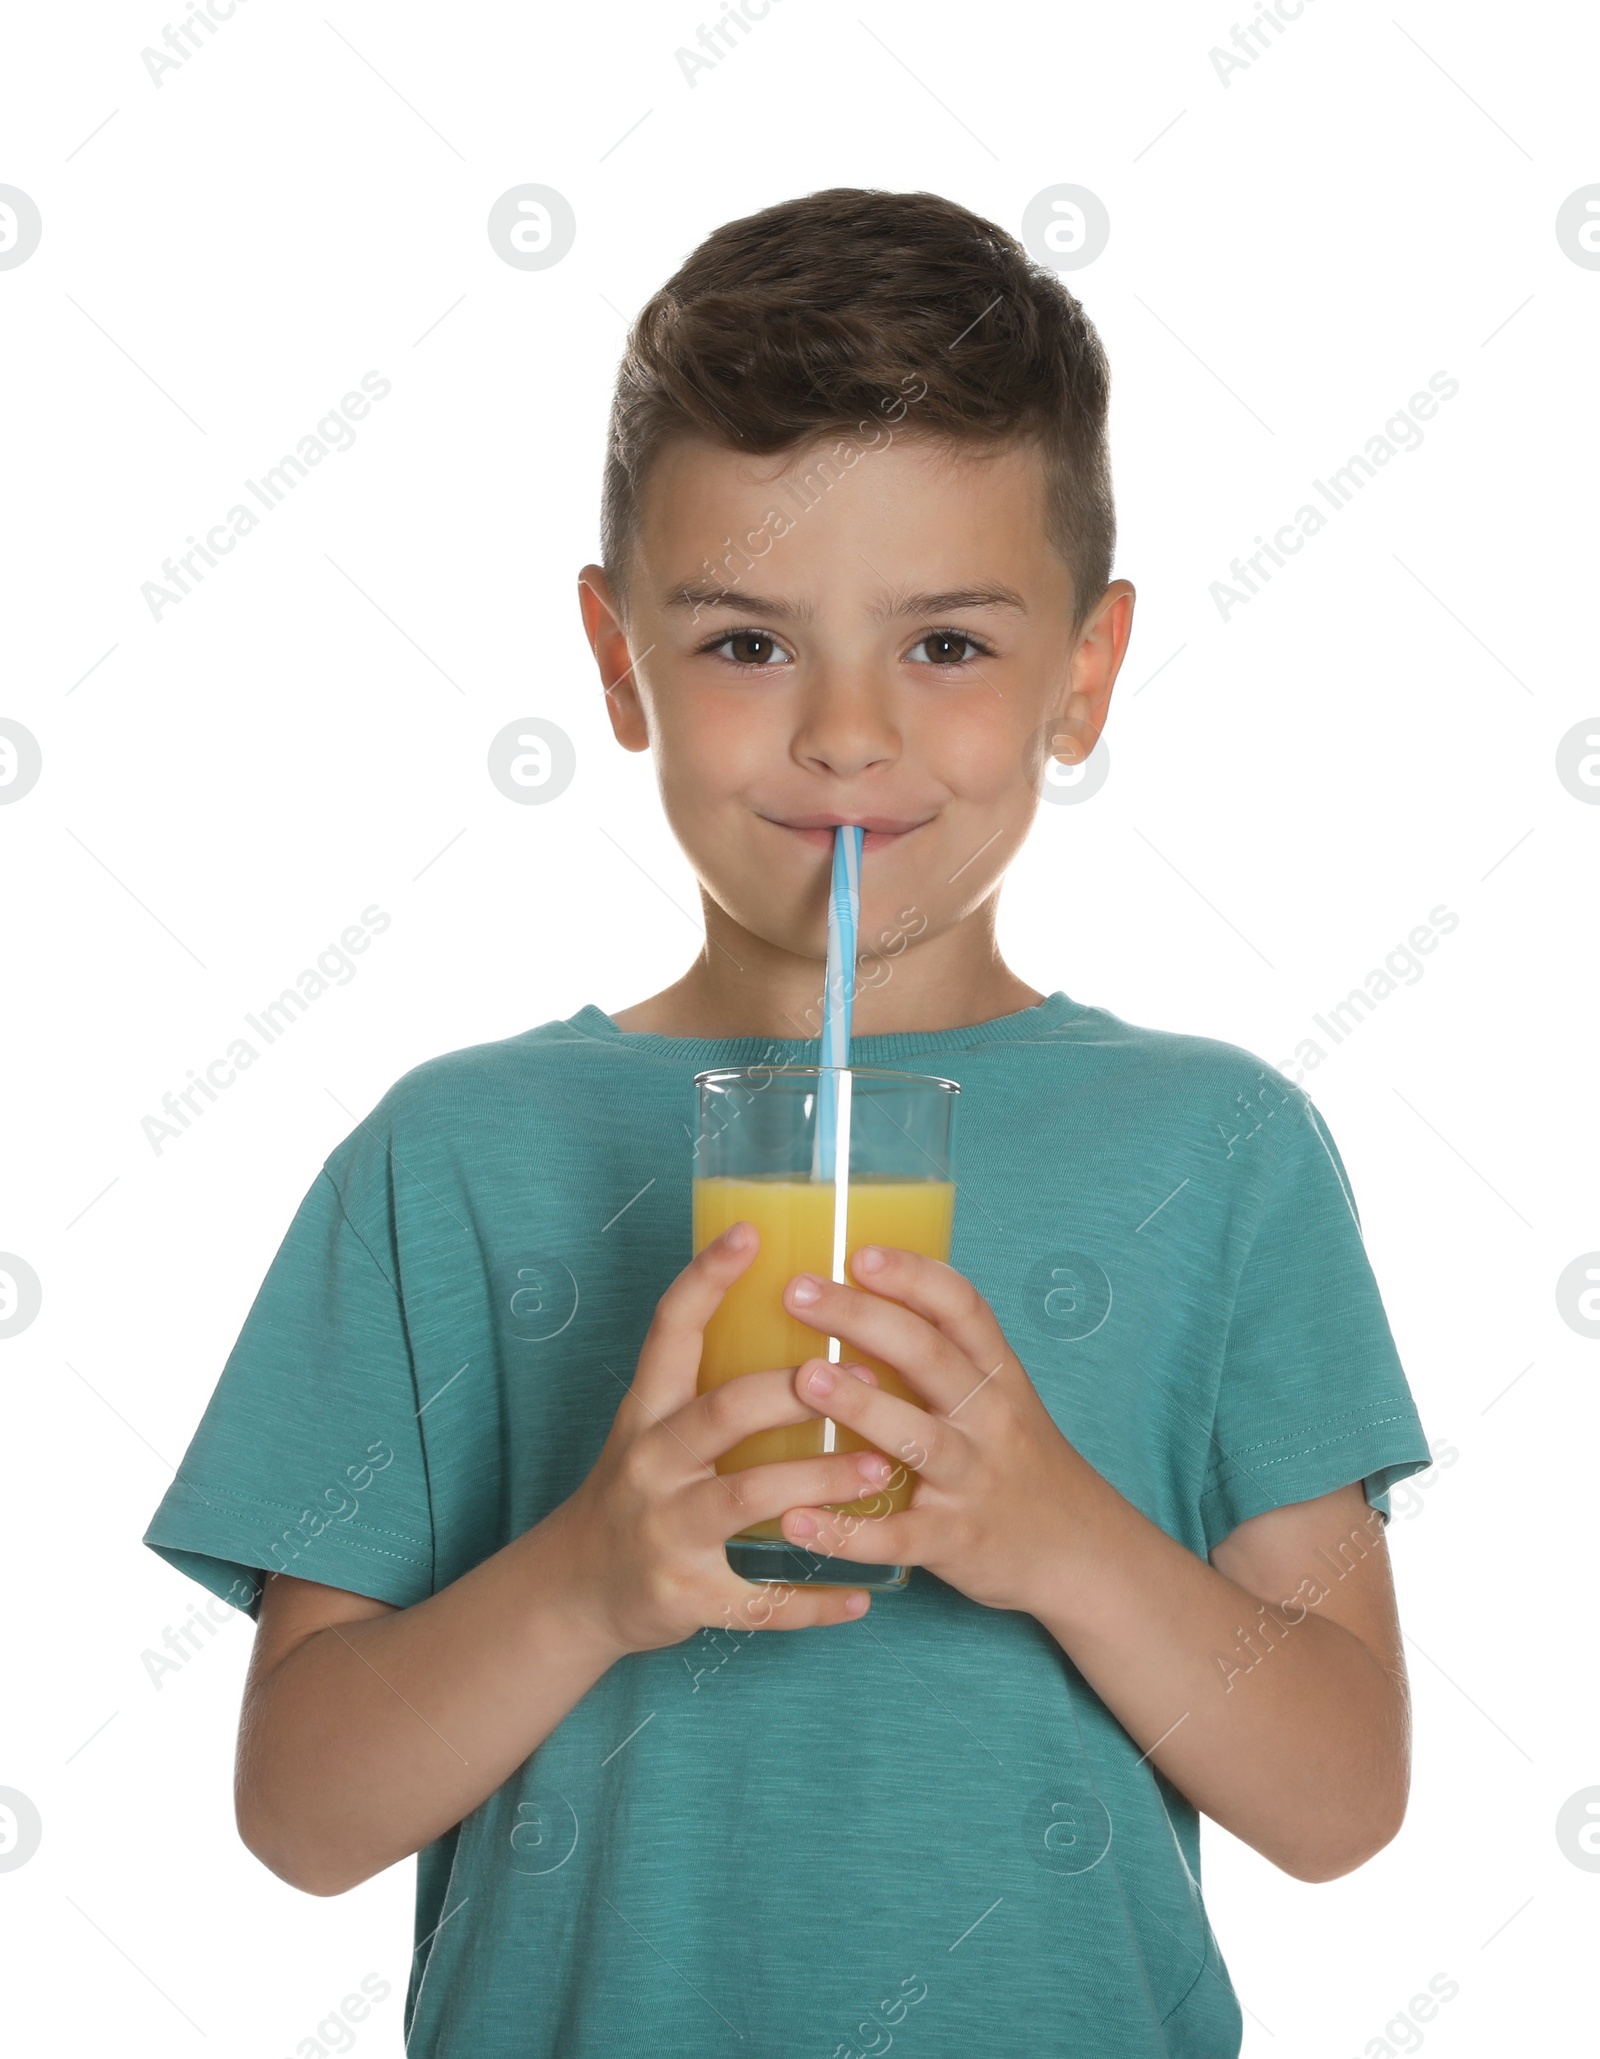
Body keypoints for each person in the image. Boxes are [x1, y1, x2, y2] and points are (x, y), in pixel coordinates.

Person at [143, 187, 1433, 2057]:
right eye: (747, 644)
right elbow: (301, 1813)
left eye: (949, 645)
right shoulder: (451, 1159)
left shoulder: (1221, 1153)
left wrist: (1060, 1533)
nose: (844, 733)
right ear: (617, 660)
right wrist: (587, 1578)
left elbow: (1341, 1797)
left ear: (1086, 670)